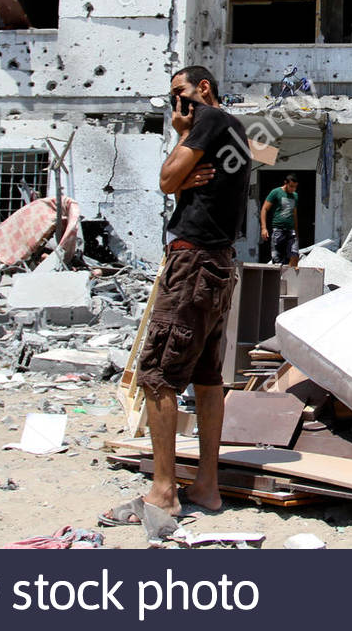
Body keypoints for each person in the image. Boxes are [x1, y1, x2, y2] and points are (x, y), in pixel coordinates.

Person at [100, 65, 250, 535]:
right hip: (219, 264)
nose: (176, 105)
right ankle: (206, 486)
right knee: (205, 378)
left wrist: (182, 136)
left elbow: (166, 179)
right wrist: (184, 176)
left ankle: (162, 493)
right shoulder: (237, 130)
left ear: (203, 89)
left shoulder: (207, 119)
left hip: (193, 263)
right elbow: (180, 180)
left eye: (179, 94)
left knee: (159, 373)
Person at [260, 173, 300, 266]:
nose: (293, 189)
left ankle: (290, 278)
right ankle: (278, 279)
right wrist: (263, 228)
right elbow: (264, 209)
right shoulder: (276, 192)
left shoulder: (295, 195)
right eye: (291, 186)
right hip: (279, 230)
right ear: (285, 183)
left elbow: (294, 214)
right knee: (277, 259)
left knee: (294, 254)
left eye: (295, 187)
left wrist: (297, 233)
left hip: (291, 231)